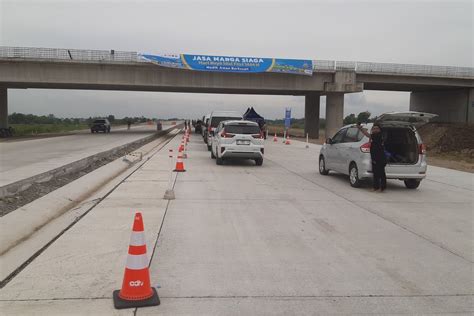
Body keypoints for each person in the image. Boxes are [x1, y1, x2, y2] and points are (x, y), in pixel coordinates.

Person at [357, 123, 387, 192]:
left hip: (381, 158)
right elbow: (368, 135)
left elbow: (368, 135)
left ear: (380, 130)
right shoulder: (374, 136)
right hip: (374, 158)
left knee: (381, 173)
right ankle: (375, 187)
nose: (375, 130)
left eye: (377, 129)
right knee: (375, 173)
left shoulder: (380, 136)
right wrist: (361, 129)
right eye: (374, 129)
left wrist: (361, 129)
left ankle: (382, 188)